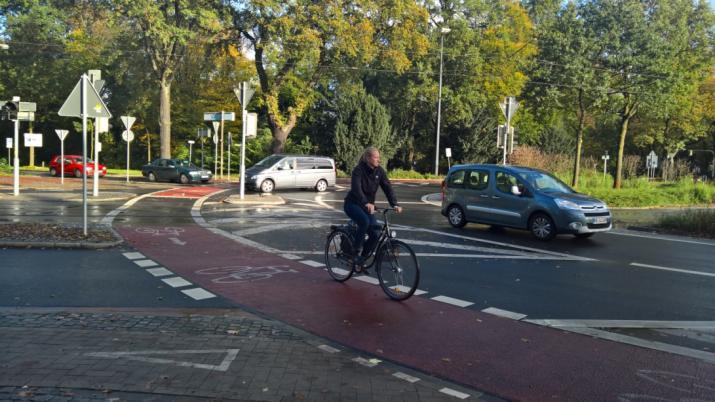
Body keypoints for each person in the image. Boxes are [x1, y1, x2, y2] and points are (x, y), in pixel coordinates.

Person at [344, 146, 402, 270]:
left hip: (367, 207)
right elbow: (356, 189)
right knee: (364, 222)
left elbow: (387, 187)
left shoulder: (379, 171)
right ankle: (354, 253)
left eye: (378, 158)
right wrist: (366, 202)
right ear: (368, 158)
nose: (378, 160)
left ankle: (361, 260)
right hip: (352, 204)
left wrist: (395, 204)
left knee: (375, 234)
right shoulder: (358, 170)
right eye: (375, 157)